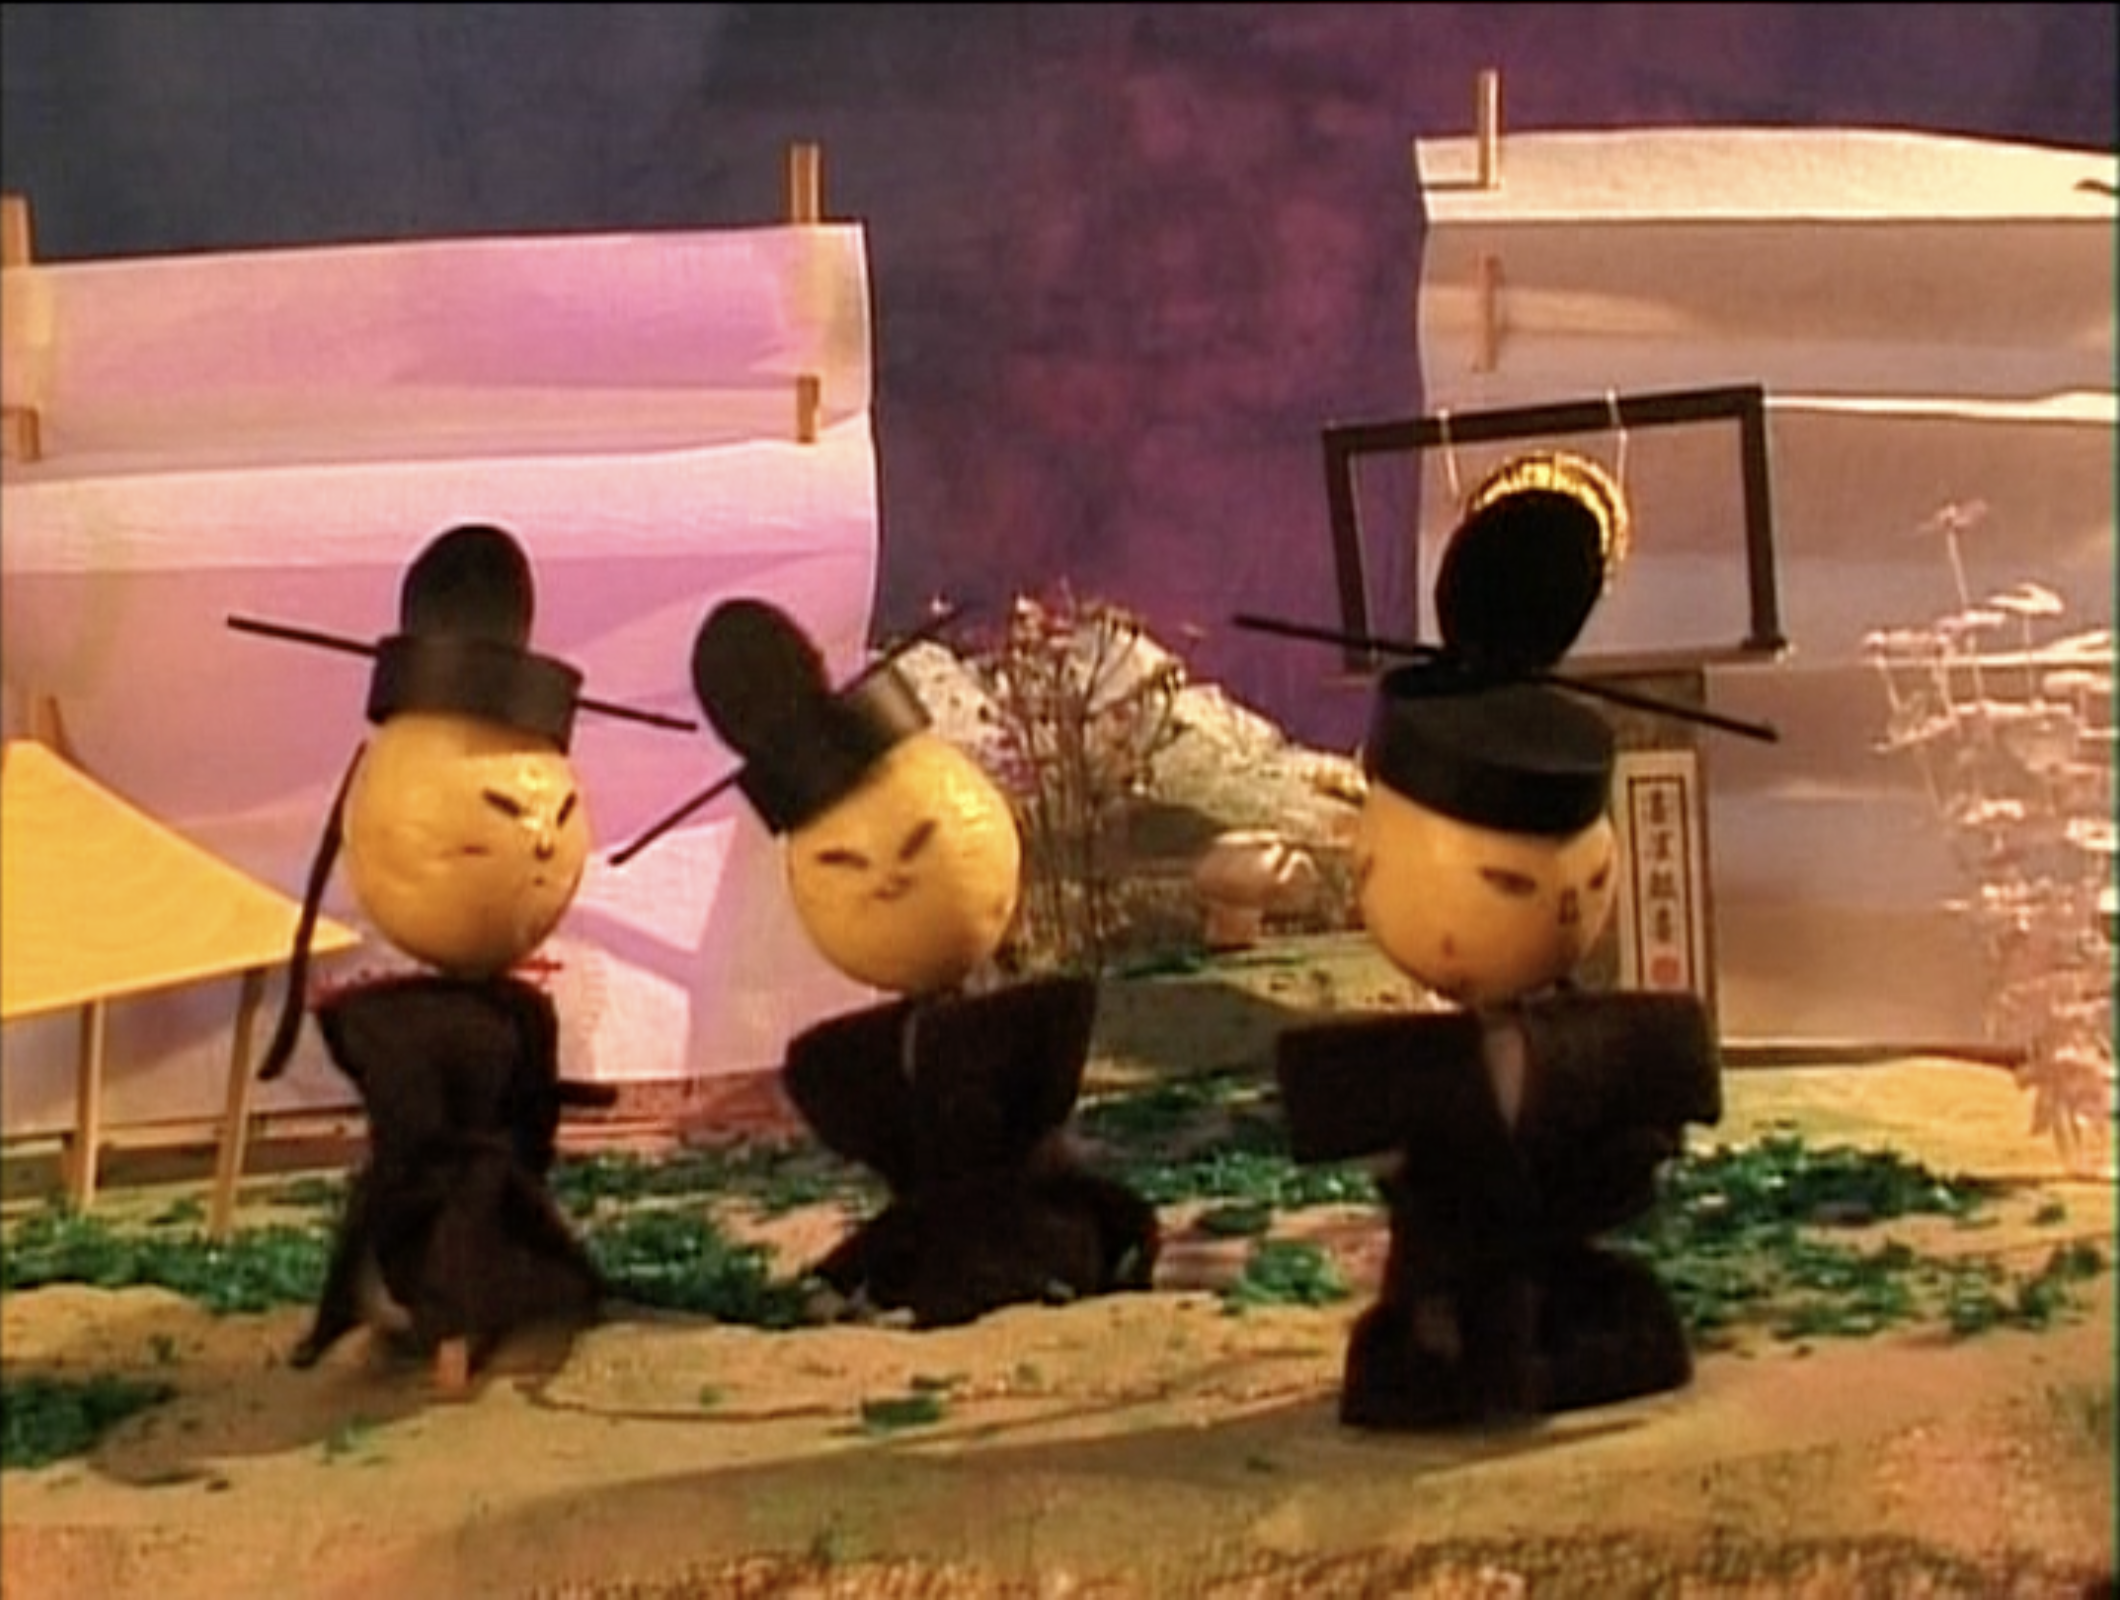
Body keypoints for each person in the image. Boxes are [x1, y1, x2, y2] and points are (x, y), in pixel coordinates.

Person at [1264, 453, 1728, 1430]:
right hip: (1449, 1296)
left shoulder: (1606, 1048)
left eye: (1585, 885)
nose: (1559, 911)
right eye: (1506, 884)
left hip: (1560, 1294)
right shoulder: (1400, 1074)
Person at [617, 597, 1159, 1328]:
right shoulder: (864, 1063)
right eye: (842, 865)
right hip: (945, 1234)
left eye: (918, 847)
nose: (888, 881)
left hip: (1029, 1231)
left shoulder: (1029, 1025)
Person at [238, 524, 680, 1394]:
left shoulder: (516, 1015)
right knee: (447, 1187)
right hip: (443, 1175)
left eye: (560, 817)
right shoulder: (404, 1029)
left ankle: (467, 1297)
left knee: (475, 1179)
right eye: (496, 821)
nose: (542, 842)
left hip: (485, 1152)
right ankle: (439, 1310)